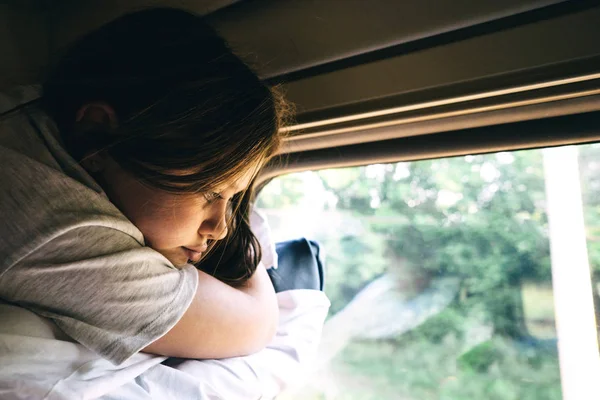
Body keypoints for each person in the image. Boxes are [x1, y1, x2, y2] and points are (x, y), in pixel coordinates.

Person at [0, 7, 290, 367]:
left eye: (232, 200)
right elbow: (252, 326)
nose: (221, 228)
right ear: (96, 136)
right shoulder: (56, 225)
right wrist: (250, 255)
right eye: (211, 192)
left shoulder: (28, 115)